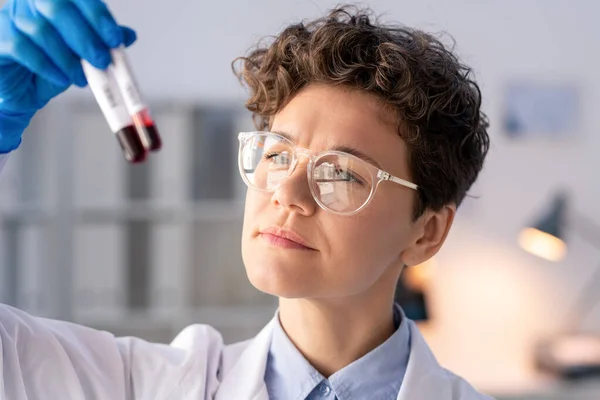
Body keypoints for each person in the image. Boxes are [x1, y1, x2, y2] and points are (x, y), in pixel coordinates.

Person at [0, 0, 493, 399]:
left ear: (426, 232)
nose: (288, 193)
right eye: (277, 155)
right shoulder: (142, 385)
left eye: (341, 172)